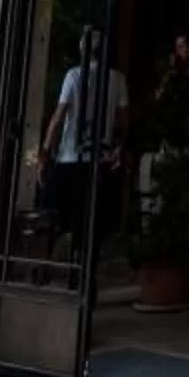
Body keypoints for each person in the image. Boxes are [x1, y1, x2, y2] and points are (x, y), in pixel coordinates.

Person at [37, 29, 127, 252]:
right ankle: (85, 267)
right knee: (91, 218)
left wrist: (45, 152)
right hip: (100, 158)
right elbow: (122, 119)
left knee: (50, 206)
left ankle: (51, 258)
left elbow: (58, 117)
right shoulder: (117, 78)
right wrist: (118, 146)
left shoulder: (74, 76)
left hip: (71, 157)